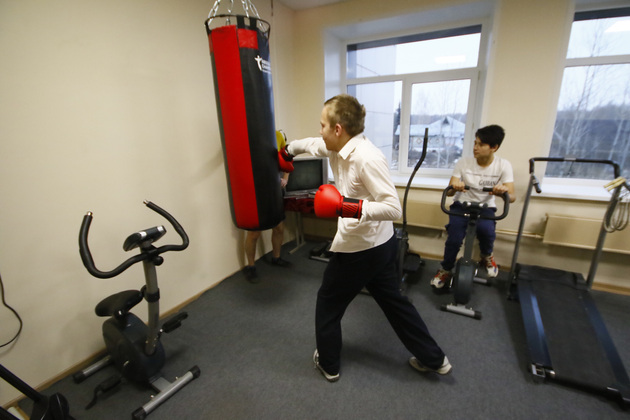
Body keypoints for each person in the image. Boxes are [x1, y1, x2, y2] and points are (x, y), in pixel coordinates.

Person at [279, 94, 450, 382]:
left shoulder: (367, 158)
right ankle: (435, 359)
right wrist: (288, 150)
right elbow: (311, 144)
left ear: (338, 129)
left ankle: (329, 364)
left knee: (328, 302)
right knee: (394, 303)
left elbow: (393, 208)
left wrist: (347, 206)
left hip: (360, 249)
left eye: (323, 125)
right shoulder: (335, 146)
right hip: (379, 245)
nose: (319, 130)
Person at [431, 124, 516, 289]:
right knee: (454, 238)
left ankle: (486, 256)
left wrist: (502, 192)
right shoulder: (463, 162)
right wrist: (455, 187)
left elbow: (512, 197)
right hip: (461, 205)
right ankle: (445, 269)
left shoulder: (503, 165)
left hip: (485, 207)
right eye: (475, 143)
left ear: (494, 147)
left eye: (481, 144)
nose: (475, 148)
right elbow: (449, 192)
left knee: (487, 232)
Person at [243, 131, 293, 283]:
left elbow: (288, 158)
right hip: (255, 191)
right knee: (254, 233)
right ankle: (251, 266)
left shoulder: (278, 135)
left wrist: (285, 178)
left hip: (274, 190)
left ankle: (276, 258)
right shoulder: (249, 135)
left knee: (279, 227)